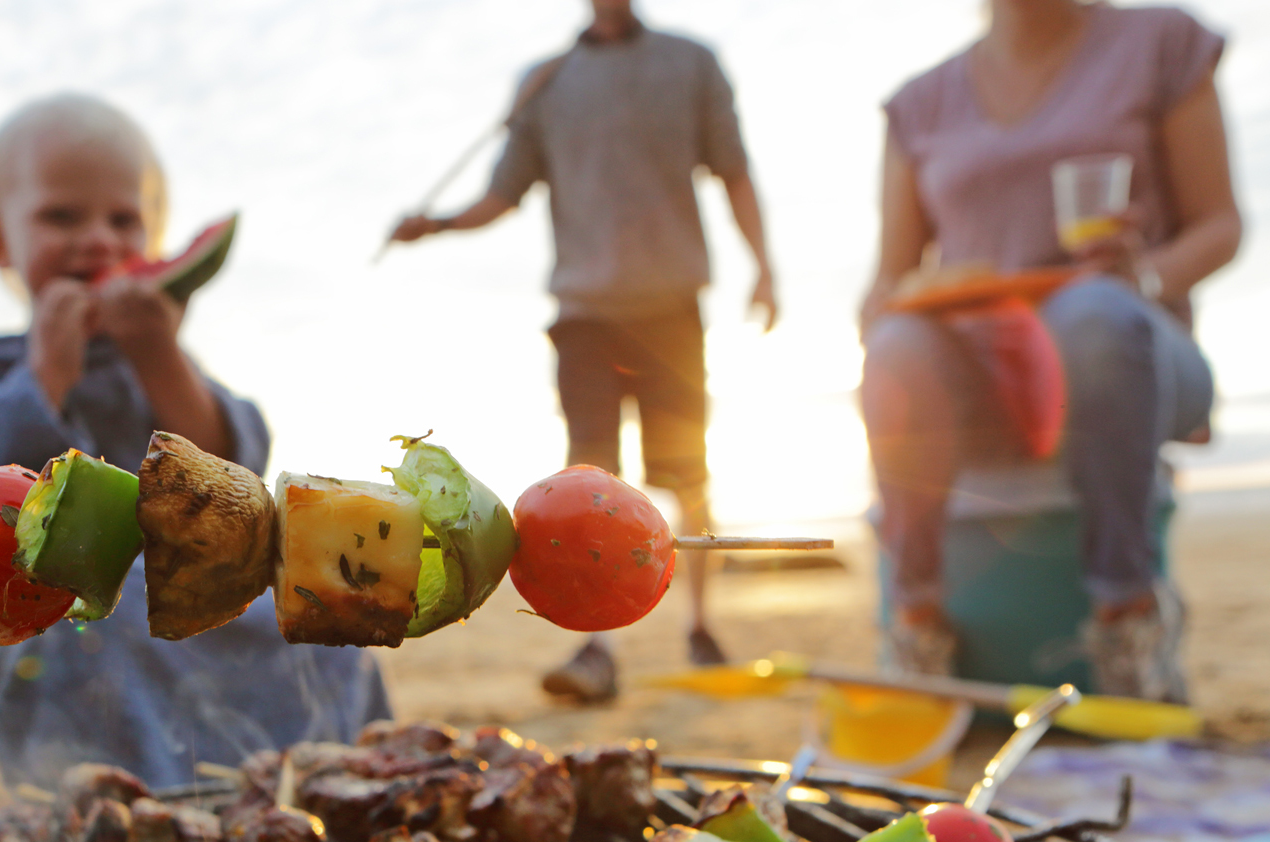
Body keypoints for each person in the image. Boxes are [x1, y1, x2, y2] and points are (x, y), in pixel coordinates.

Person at [0, 94, 391, 789]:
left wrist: (162, 358)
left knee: (323, 615)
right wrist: (43, 379)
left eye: (123, 220)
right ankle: (143, 821)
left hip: (190, 617)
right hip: (31, 624)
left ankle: (324, 795)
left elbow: (239, 479)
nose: (98, 239)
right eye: (61, 216)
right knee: (104, 615)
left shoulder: (159, 366)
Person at [388, 0, 778, 701]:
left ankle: (699, 624)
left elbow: (735, 169)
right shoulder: (543, 81)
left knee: (689, 473)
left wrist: (765, 266)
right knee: (584, 482)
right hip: (585, 314)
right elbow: (503, 194)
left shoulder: (691, 63)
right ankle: (597, 651)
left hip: (670, 307)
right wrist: (439, 224)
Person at [859, 0, 1241, 700]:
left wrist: (1142, 276)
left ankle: (1127, 619)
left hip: (1133, 350)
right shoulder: (920, 104)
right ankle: (916, 623)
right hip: (983, 372)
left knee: (1094, 316)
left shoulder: (1160, 42)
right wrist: (893, 311)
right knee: (898, 345)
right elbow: (889, 280)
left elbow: (1221, 225)